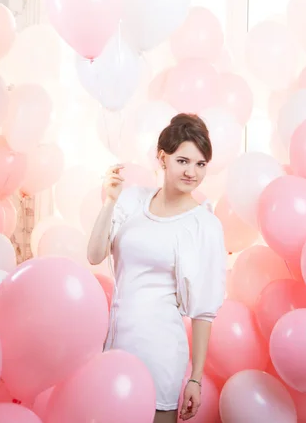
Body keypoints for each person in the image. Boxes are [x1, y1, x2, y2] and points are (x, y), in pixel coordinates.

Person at [87, 113, 226, 422]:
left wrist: (196, 377)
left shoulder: (204, 224)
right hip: (116, 343)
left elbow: (204, 311)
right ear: (163, 158)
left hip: (161, 350)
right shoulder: (131, 200)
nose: (192, 172)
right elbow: (94, 255)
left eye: (201, 164)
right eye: (183, 161)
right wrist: (109, 201)